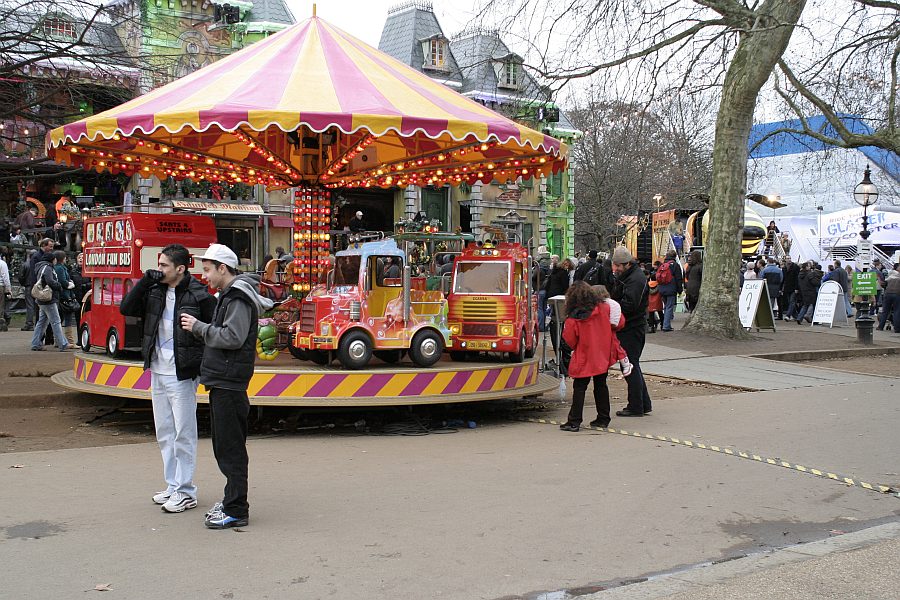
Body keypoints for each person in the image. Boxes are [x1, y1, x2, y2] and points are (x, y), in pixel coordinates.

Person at [181, 244, 274, 529]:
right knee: (226, 446)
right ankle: (232, 500)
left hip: (229, 381)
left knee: (230, 448)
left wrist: (199, 327)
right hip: (225, 380)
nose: (204, 275)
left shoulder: (237, 298)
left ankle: (236, 508)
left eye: (208, 269)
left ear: (223, 269)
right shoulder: (230, 296)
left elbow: (232, 337)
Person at [120, 244, 216, 513]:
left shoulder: (199, 295)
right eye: (158, 264)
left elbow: (214, 330)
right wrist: (143, 281)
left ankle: (186, 490)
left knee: (183, 432)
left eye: (164, 266)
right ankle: (173, 485)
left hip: (183, 372)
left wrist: (203, 366)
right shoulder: (154, 289)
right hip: (157, 369)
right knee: (164, 431)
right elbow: (126, 308)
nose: (159, 269)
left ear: (181, 269)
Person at [558, 282, 629, 432]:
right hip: (602, 352)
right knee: (601, 385)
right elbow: (620, 323)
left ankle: (574, 420)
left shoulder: (573, 317)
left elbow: (570, 340)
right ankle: (603, 418)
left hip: (584, 354)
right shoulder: (604, 308)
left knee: (580, 387)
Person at [608, 246, 652, 417]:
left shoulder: (635, 279)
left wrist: (612, 307)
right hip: (632, 325)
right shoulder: (631, 276)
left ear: (627, 264)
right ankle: (643, 403)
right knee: (632, 364)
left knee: (629, 365)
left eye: (618, 266)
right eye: (615, 265)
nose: (616, 269)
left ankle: (636, 406)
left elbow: (630, 305)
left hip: (632, 327)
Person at [30, 251, 71, 352]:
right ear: (52, 259)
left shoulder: (41, 266)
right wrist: (59, 286)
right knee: (56, 321)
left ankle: (36, 343)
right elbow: (50, 281)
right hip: (49, 299)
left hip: (42, 299)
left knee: (42, 322)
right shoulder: (48, 268)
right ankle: (63, 343)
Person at [53, 251, 77, 346]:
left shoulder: (58, 268)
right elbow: (63, 281)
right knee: (67, 318)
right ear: (63, 258)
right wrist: (69, 284)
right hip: (65, 296)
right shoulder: (60, 268)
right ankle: (69, 340)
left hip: (60, 296)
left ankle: (57, 340)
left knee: (59, 318)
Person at [657, 250, 682, 332]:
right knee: (669, 307)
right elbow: (678, 279)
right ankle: (666, 325)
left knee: (666, 306)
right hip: (671, 289)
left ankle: (665, 323)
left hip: (662, 288)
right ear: (675, 256)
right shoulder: (675, 265)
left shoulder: (662, 265)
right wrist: (680, 290)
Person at [876, 262, 900, 333]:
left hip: (887, 294)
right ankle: (897, 328)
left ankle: (880, 326)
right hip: (897, 294)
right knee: (897, 311)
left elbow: (884, 284)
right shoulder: (899, 276)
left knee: (885, 311)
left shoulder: (889, 275)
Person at [781, 255, 800, 321]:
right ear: (785, 260)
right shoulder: (784, 268)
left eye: (790, 258)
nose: (789, 259)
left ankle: (788, 315)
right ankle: (797, 316)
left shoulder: (795, 267)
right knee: (790, 302)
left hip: (794, 287)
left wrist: (797, 288)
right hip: (787, 287)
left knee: (792, 301)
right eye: (787, 258)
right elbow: (783, 279)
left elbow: (797, 278)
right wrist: (781, 288)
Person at [0, 248, 10, 332]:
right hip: (0, 286)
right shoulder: (2, 263)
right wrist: (8, 289)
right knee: (1, 306)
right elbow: (5, 277)